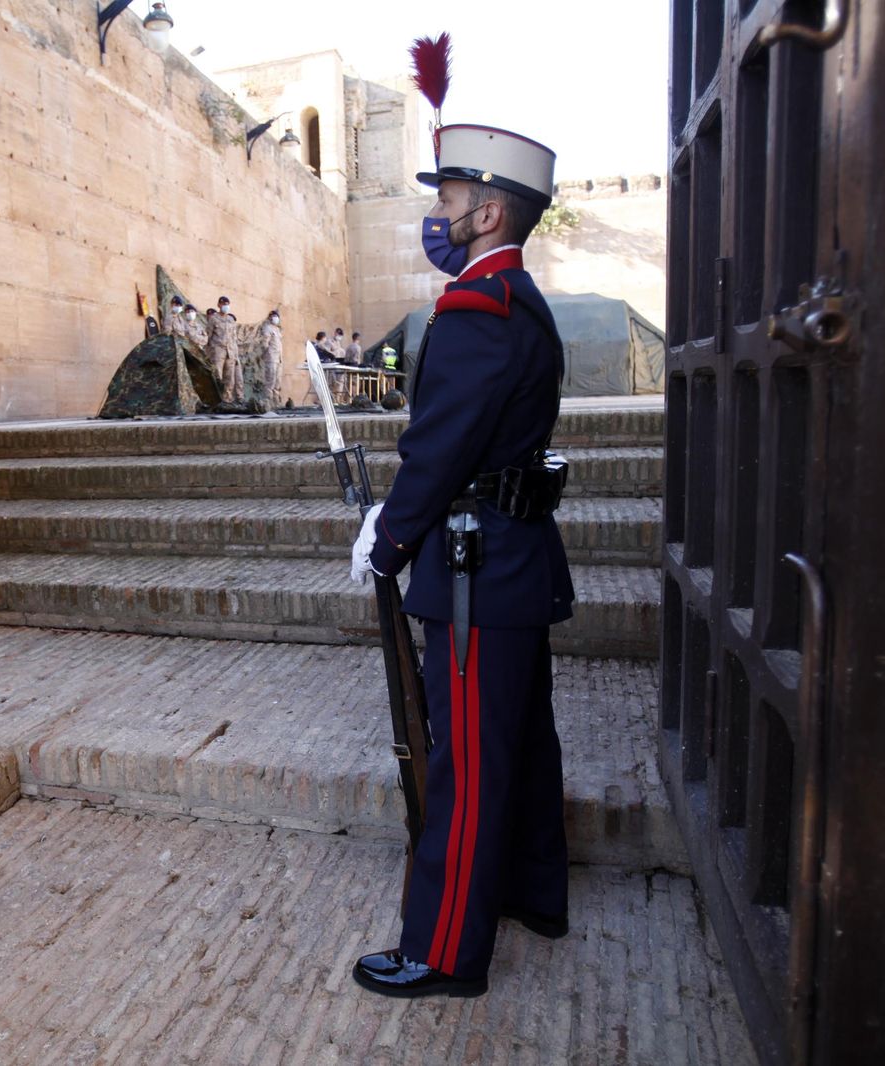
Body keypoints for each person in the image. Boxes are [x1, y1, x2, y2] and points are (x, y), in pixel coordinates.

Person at [348, 120, 574, 999]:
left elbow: (440, 448)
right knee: (521, 742)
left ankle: (445, 951)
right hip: (513, 558)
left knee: (469, 764)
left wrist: (389, 538)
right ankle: (531, 893)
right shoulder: (519, 300)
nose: (436, 216)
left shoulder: (478, 311)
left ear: (487, 215)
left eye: (447, 200)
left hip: (478, 567)